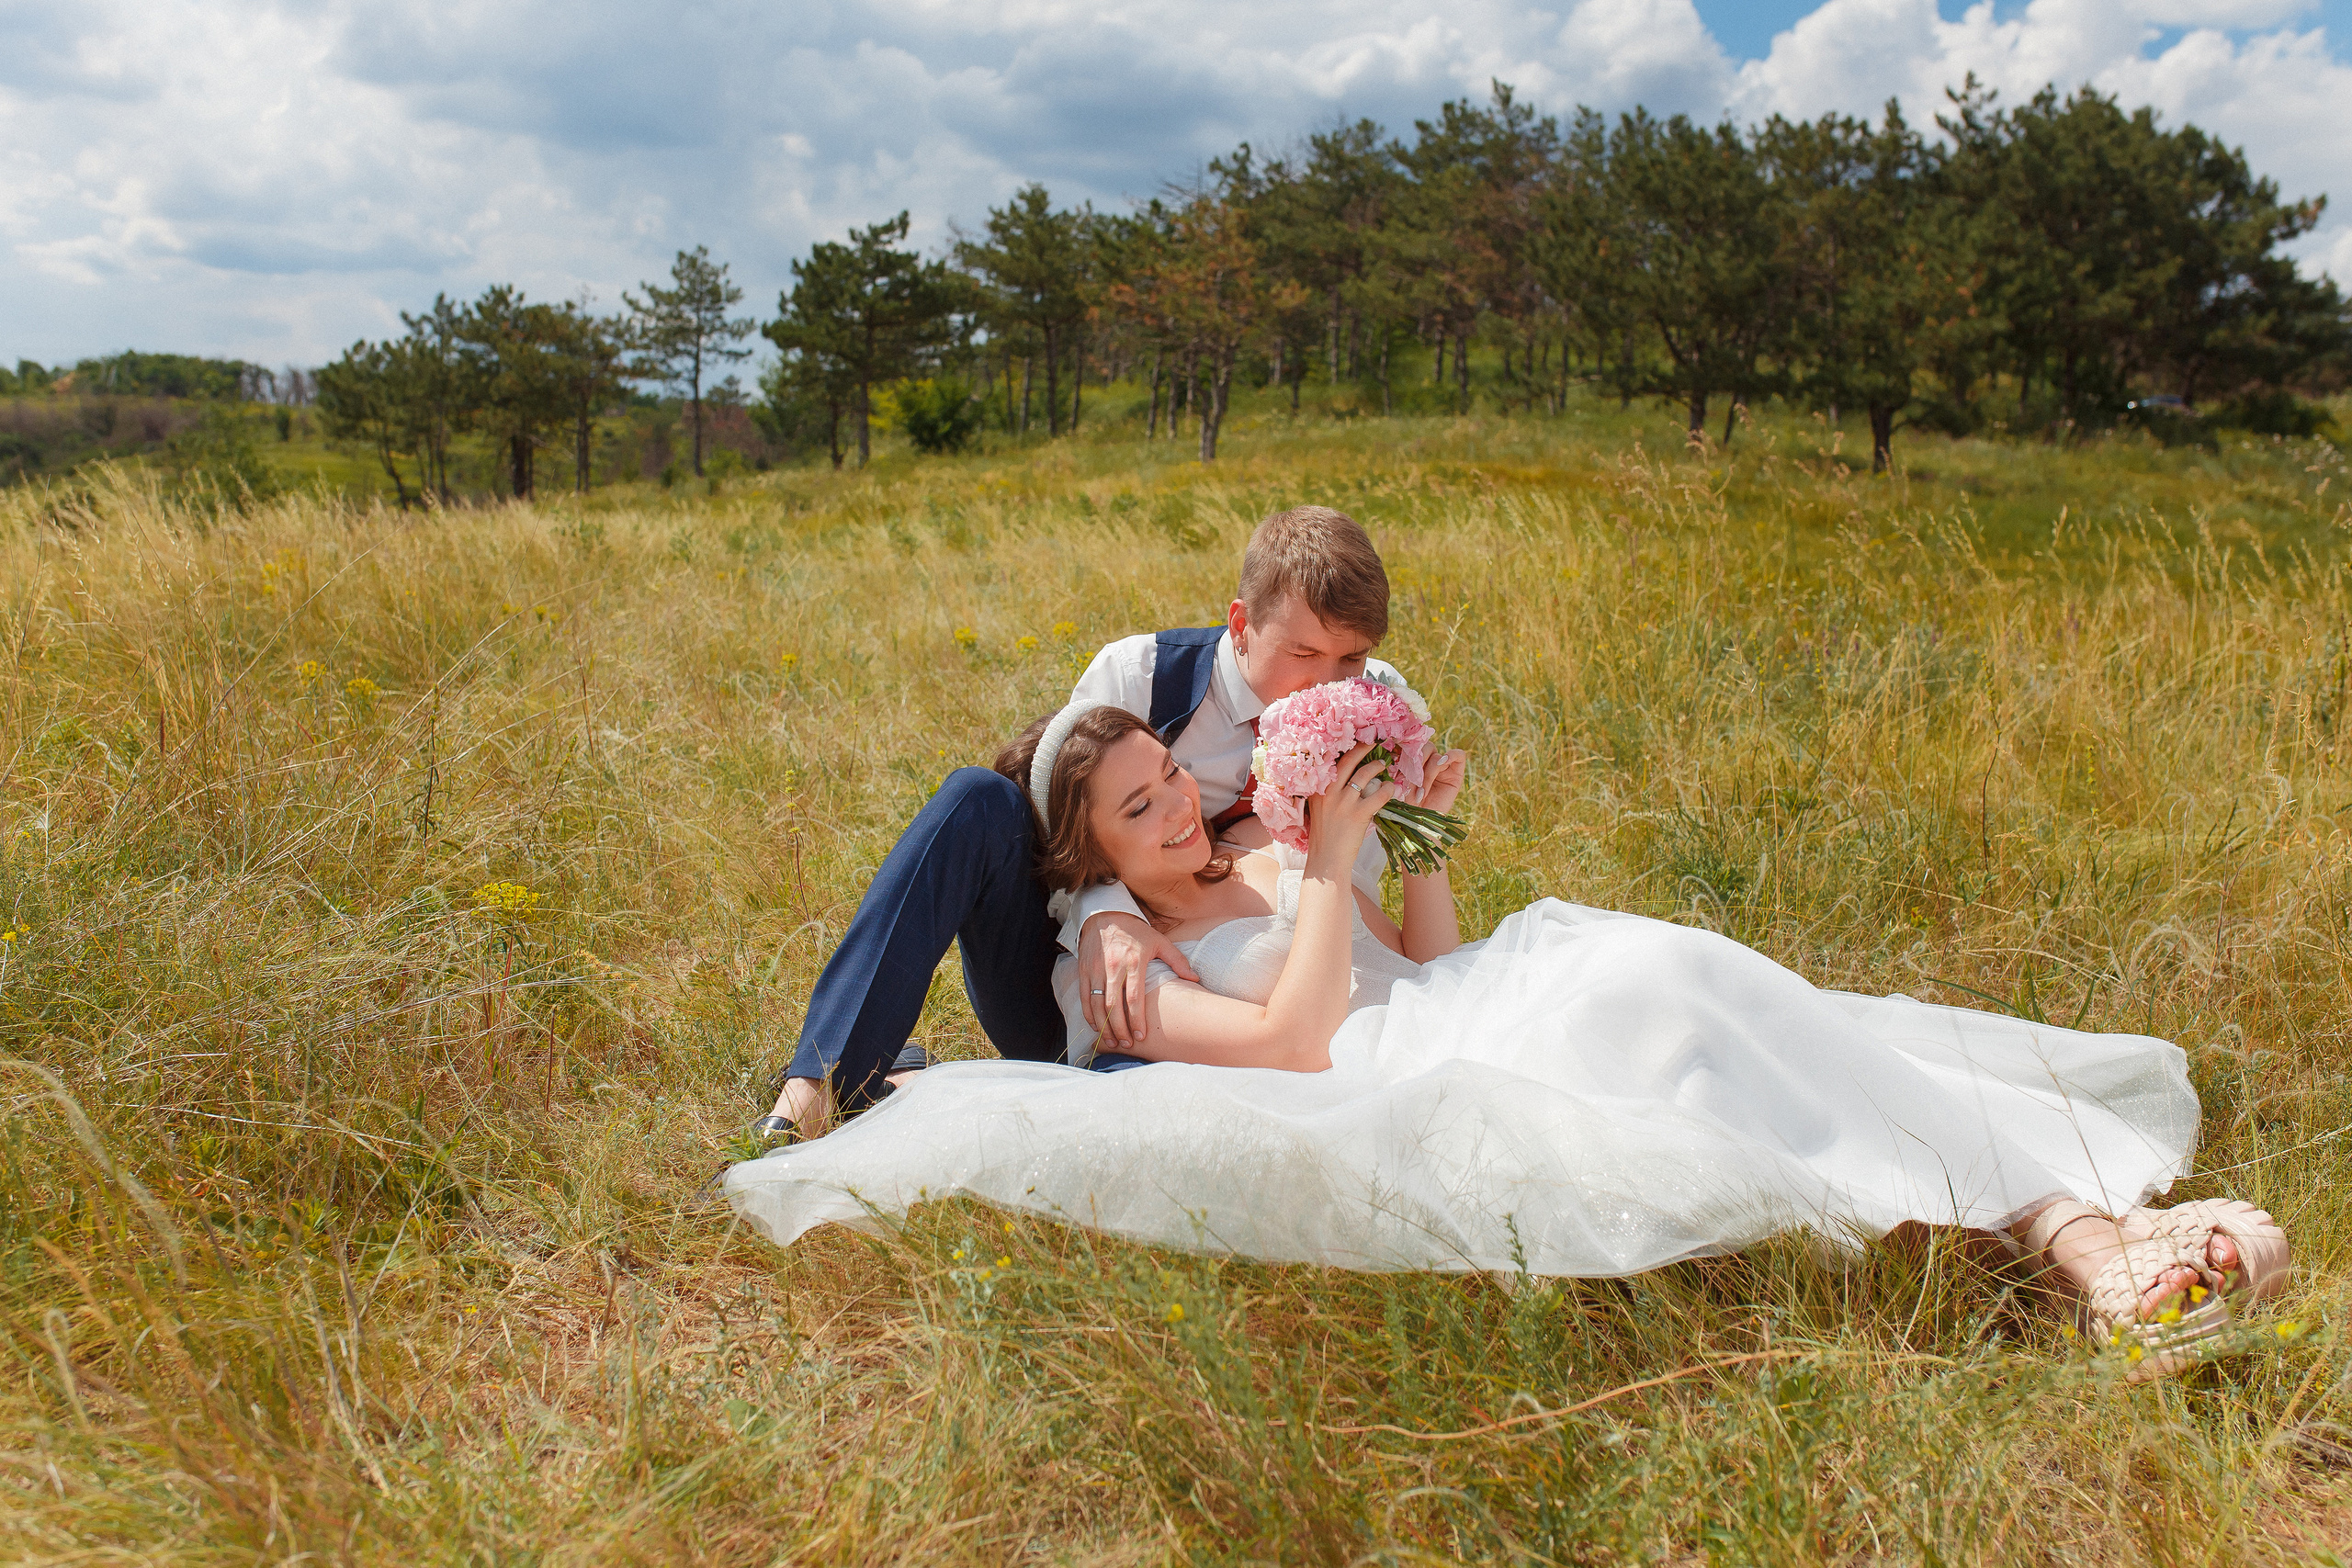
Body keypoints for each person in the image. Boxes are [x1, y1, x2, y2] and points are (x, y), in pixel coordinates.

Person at [728, 707, 2295, 1377]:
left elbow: (1435, 953)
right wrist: (1317, 868)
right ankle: (2063, 1246)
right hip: (1380, 1070)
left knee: (1682, 971)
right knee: (1661, 1014)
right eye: (1135, 811)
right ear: (1089, 863)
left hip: (1463, 997)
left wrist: (1413, 827)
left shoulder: (1246, 859)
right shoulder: (1119, 960)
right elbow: (1285, 1041)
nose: (1175, 811)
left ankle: (2066, 1228)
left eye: (1169, 782)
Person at [752, 504, 1407, 1141]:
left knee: (1164, 1112)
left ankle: (926, 1086)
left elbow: (1354, 896)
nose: (1328, 683)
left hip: (1262, 984)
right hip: (1093, 987)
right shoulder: (1140, 676)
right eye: (1303, 653)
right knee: (979, 799)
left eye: (1350, 659)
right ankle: (822, 1082)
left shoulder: (1374, 703)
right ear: (1240, 625)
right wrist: (1104, 910)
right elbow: (1055, 819)